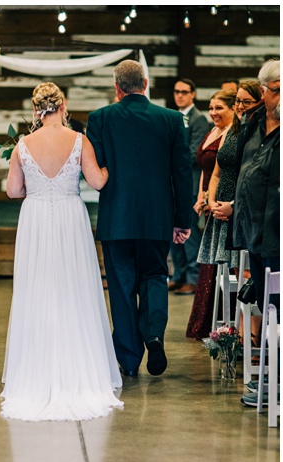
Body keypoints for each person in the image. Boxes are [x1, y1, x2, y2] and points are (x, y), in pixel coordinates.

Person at [0, 82, 121, 421]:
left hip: (35, 217)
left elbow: (12, 190)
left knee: (37, 289)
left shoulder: (23, 144)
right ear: (63, 105)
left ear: (37, 108)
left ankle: (36, 366)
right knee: (73, 288)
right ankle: (79, 364)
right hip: (70, 215)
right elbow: (97, 182)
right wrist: (111, 167)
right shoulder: (79, 141)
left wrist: (33, 185)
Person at [86, 59, 194, 377]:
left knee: (121, 287)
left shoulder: (100, 118)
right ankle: (154, 335)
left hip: (116, 217)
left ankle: (130, 360)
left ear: (117, 88)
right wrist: (182, 219)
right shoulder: (171, 119)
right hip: (157, 217)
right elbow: (182, 172)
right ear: (145, 85)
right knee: (155, 276)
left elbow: (97, 168)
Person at [217, 61, 280, 406]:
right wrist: (234, 207)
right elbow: (244, 172)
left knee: (279, 309)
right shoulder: (254, 124)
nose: (276, 96)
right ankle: (270, 378)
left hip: (276, 233)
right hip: (252, 231)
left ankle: (277, 381)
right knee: (265, 309)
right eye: (275, 90)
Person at [186, 90, 242, 339]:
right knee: (208, 262)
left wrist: (213, 199)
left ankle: (226, 324)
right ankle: (205, 322)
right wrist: (201, 196)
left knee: (221, 265)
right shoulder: (212, 132)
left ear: (233, 109)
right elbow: (206, 170)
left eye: (219, 108)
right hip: (208, 197)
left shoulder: (233, 134)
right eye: (210, 107)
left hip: (222, 202)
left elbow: (225, 171)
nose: (213, 112)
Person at [169, 78, 213, 296]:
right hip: (173, 185)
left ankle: (193, 278)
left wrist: (170, 159)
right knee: (173, 233)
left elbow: (195, 153)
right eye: (177, 91)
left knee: (189, 233)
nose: (180, 95)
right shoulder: (174, 116)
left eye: (184, 92)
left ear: (193, 94)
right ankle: (177, 275)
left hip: (191, 185)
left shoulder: (199, 120)